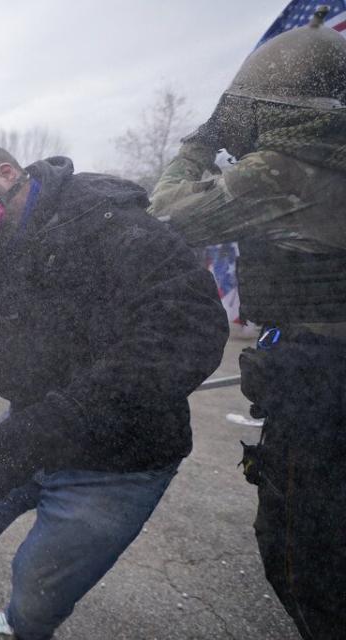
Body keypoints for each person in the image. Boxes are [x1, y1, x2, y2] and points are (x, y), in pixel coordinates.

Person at [0, 143, 228, 639]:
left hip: (116, 461)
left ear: (5, 173)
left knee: (37, 589)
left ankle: (18, 630)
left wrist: (46, 427)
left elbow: (186, 329)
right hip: (31, 430)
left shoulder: (107, 220)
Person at [148, 12, 346, 638]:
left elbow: (168, 215)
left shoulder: (286, 171)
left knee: (304, 548)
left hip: (324, 379)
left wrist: (197, 144)